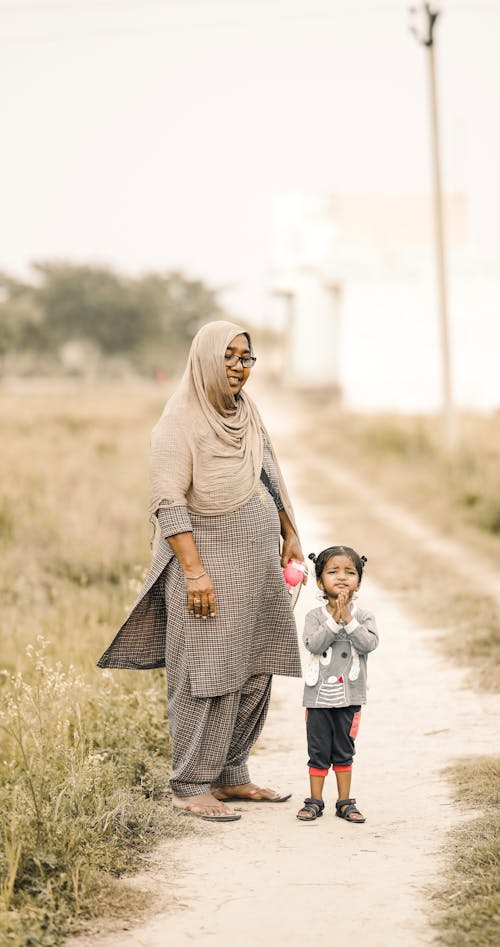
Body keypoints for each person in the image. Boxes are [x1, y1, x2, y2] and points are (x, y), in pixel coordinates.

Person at [98, 321, 306, 822]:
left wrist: (289, 531)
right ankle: (191, 785)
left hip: (255, 570)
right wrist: (194, 572)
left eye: (246, 358)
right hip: (206, 572)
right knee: (205, 674)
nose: (238, 367)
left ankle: (232, 775)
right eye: (229, 357)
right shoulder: (180, 423)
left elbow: (268, 472)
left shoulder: (245, 413)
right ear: (206, 360)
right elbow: (167, 503)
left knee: (255, 671)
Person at [296, 545, 378, 824]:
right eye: (333, 572)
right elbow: (314, 644)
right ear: (320, 581)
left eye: (350, 572)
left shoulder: (364, 616)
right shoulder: (314, 617)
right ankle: (314, 801)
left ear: (359, 581)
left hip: (350, 697)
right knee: (318, 751)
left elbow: (369, 644)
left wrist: (348, 620)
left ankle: (345, 802)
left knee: (344, 750)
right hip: (318, 698)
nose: (341, 577)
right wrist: (334, 619)